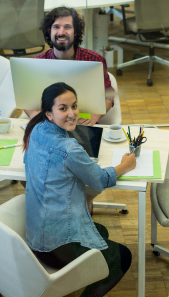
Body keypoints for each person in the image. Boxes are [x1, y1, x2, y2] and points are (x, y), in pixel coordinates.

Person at [23, 82, 136, 297]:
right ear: (49, 114)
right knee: (123, 257)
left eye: (74, 106)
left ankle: (79, 279)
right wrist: (124, 166)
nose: (72, 113)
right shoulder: (70, 149)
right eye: (63, 108)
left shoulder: (36, 130)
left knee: (101, 231)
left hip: (36, 237)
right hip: (55, 247)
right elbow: (99, 180)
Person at [25, 6, 114, 126]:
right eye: (56, 27)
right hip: (49, 123)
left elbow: (109, 96)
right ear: (49, 31)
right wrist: (33, 114)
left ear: (75, 32)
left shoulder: (94, 60)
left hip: (82, 123)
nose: (61, 32)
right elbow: (26, 98)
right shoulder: (37, 63)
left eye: (67, 27)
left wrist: (94, 117)